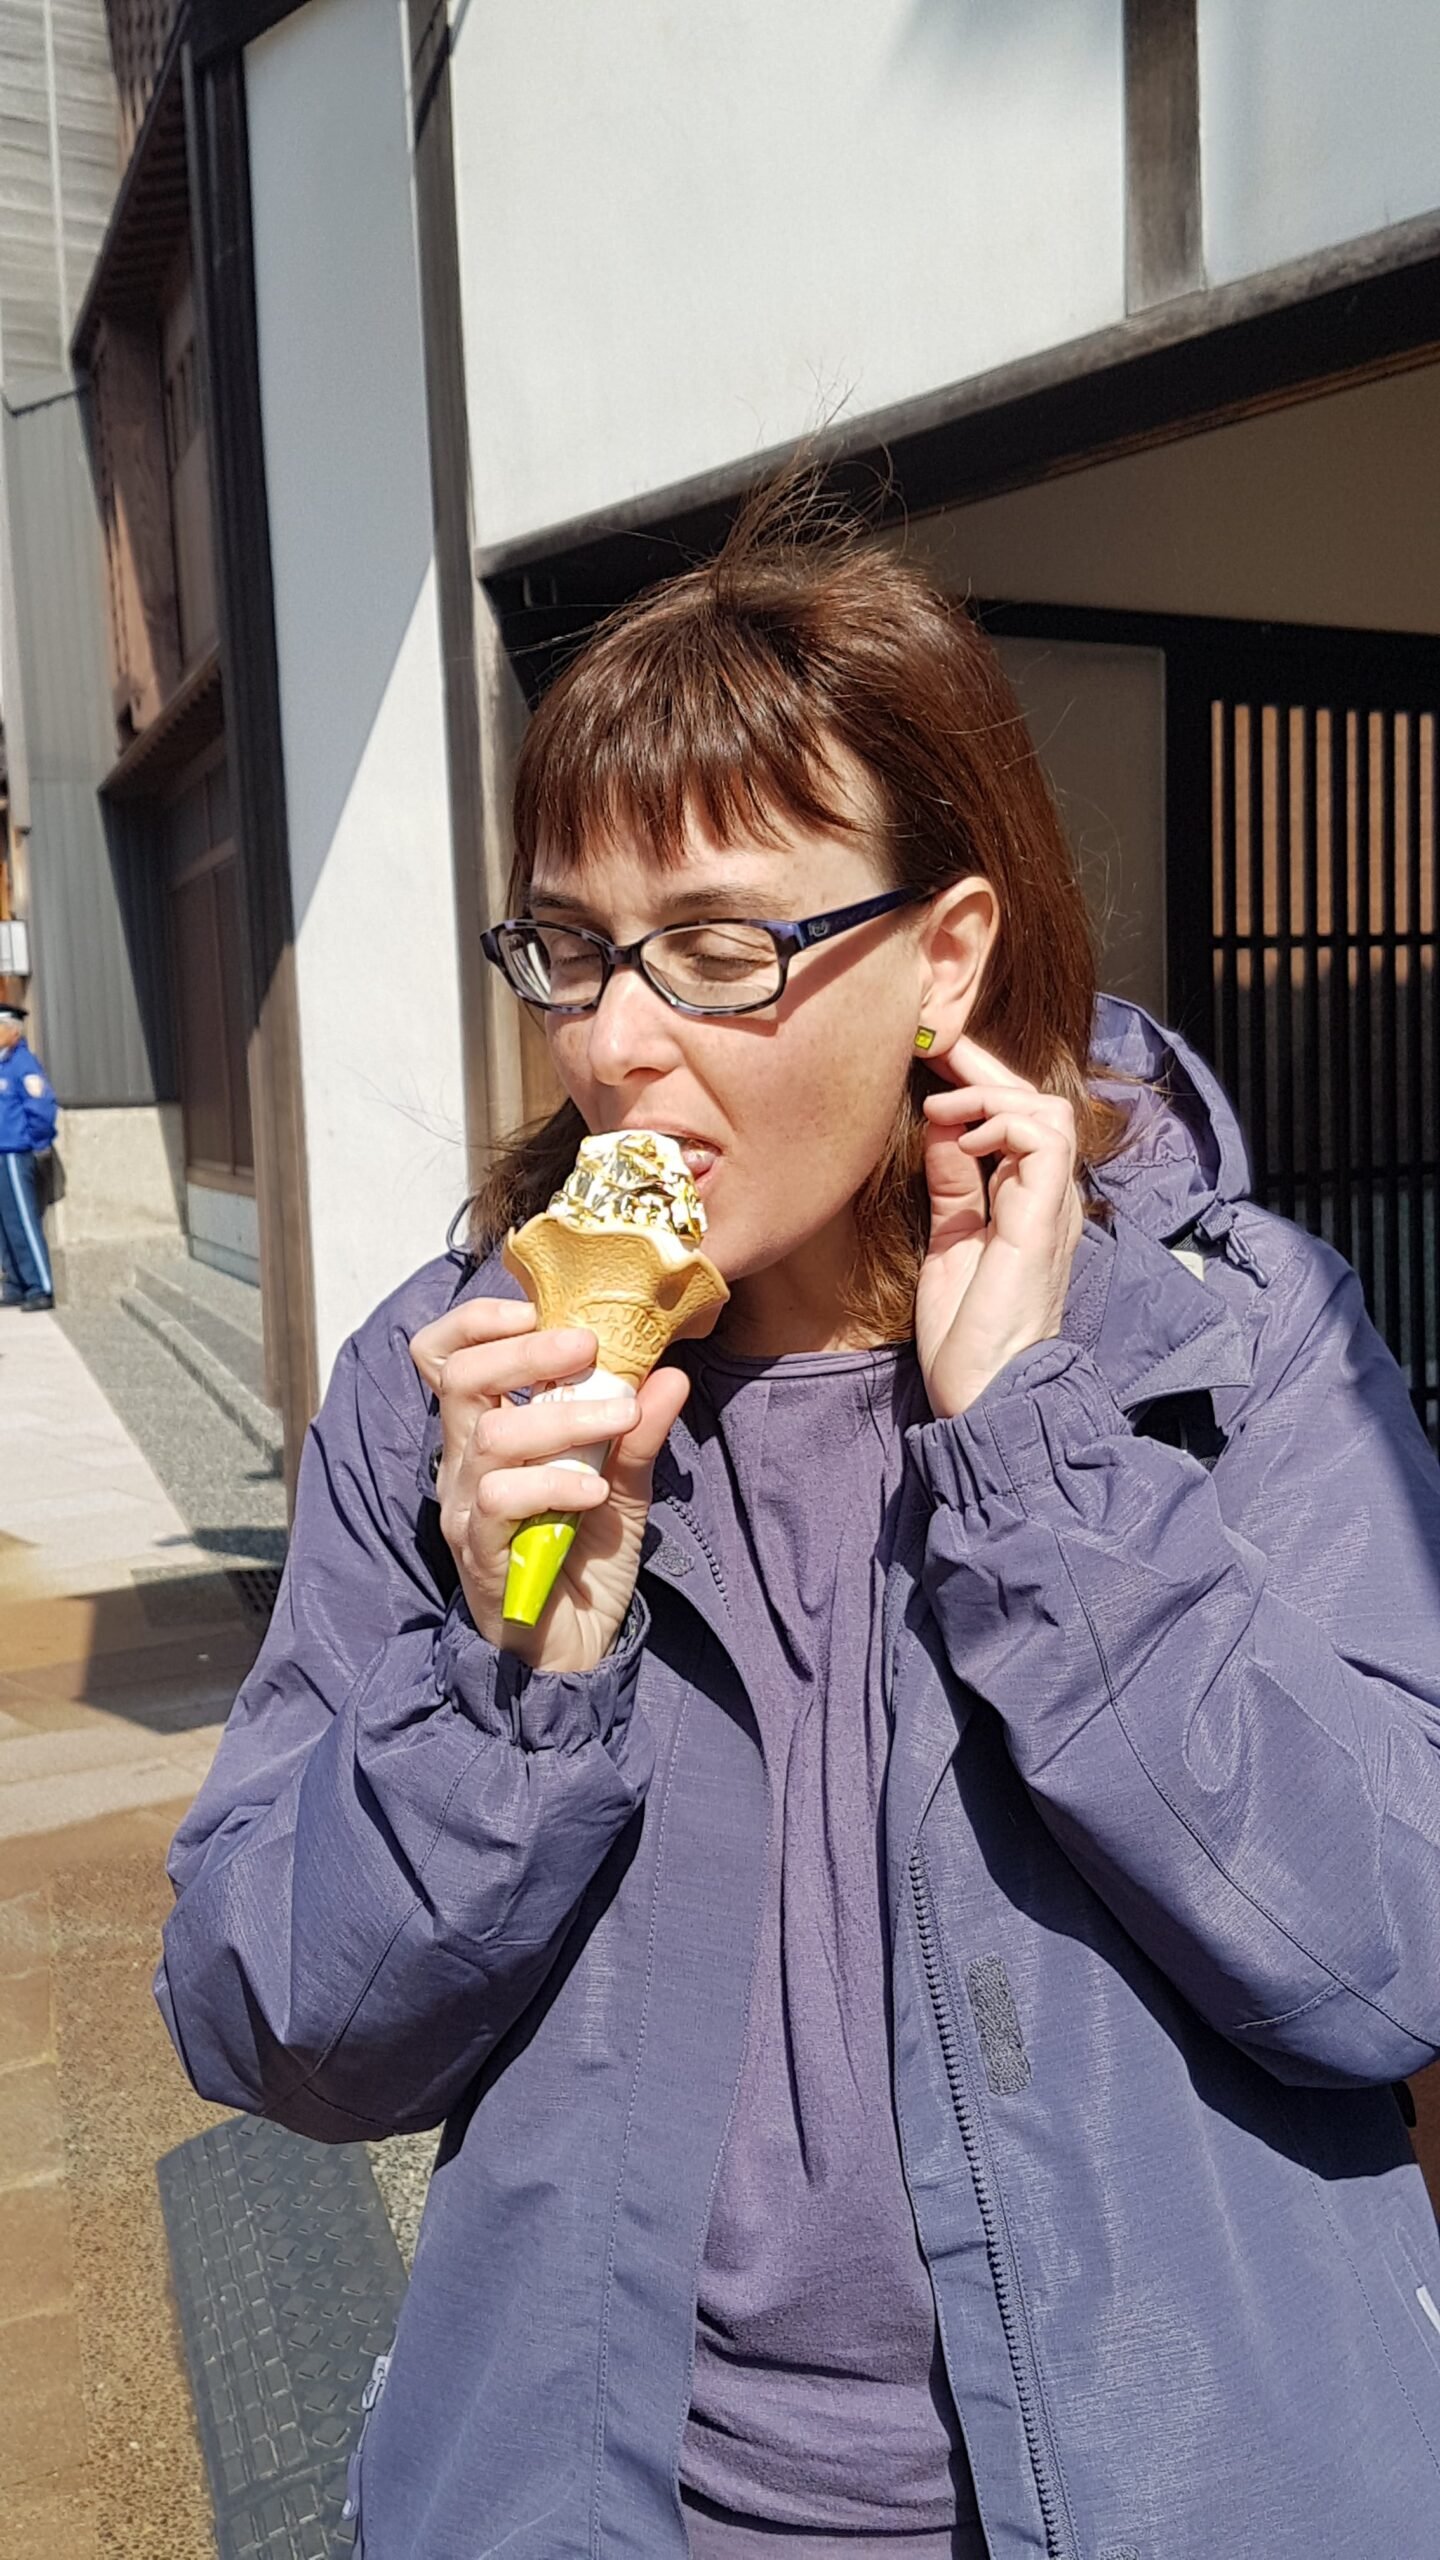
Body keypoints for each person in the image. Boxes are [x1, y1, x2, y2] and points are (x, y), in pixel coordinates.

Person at [155, 496, 1440, 2560]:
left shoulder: (1226, 1344)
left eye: (719, 948)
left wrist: (1040, 1465)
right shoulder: (455, 1385)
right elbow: (274, 2028)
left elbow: (1389, 1955)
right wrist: (518, 1665)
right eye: (571, 948)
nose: (615, 1044)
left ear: (948, 954)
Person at [0, 1001, 57, 1310]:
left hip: (14, 1152)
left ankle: (39, 1287)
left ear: (13, 1031)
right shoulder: (2, 1064)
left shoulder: (22, 1064)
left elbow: (41, 1107)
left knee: (22, 1220)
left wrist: (37, 1142)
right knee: (4, 1225)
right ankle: (16, 1283)